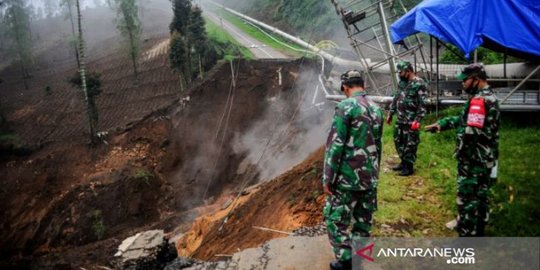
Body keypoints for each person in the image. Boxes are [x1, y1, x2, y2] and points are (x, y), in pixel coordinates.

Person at [425, 63, 500, 236]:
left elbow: (471, 131)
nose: (462, 84)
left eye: (465, 80)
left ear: (476, 79)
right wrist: (442, 124)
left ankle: (466, 237)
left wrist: (462, 154)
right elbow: (463, 119)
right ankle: (478, 232)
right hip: (485, 157)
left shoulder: (479, 101)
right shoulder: (488, 97)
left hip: (473, 159)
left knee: (467, 198)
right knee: (481, 196)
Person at [323, 70, 383, 270]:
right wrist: (375, 174)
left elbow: (336, 145)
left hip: (347, 178)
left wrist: (328, 178)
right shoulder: (377, 109)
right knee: (363, 221)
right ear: (363, 85)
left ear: (345, 87)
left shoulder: (345, 107)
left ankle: (346, 259)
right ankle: (359, 259)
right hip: (370, 177)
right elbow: (378, 146)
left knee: (335, 218)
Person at [386, 61, 427, 176]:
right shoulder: (402, 83)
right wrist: (391, 112)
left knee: (410, 143)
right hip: (400, 119)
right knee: (399, 141)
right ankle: (403, 162)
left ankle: (409, 167)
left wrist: (418, 120)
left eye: (401, 72)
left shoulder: (419, 83)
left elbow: (422, 104)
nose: (399, 74)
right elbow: (396, 97)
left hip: (411, 120)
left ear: (408, 71)